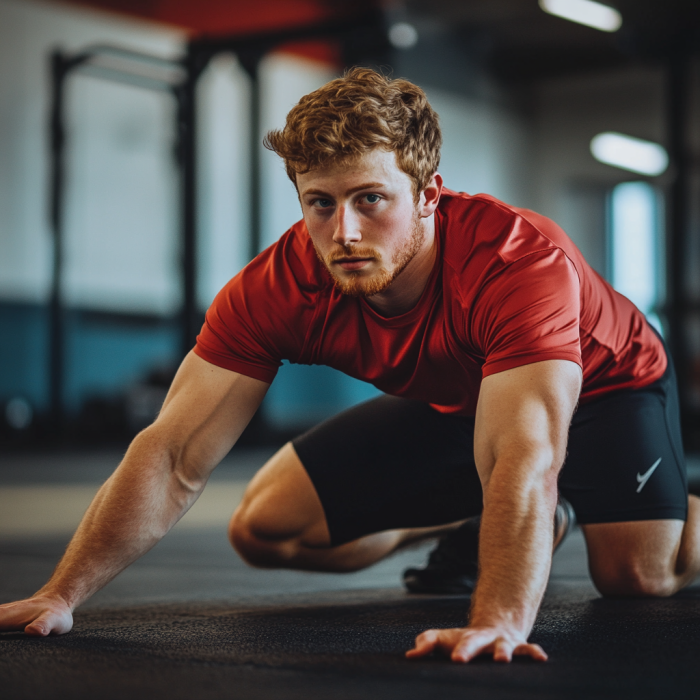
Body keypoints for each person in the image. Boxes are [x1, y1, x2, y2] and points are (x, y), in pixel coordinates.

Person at [0, 68, 697, 664]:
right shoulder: (274, 289)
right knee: (266, 528)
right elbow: (174, 452)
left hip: (606, 393)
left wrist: (499, 621)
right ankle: (478, 521)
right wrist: (61, 594)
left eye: (371, 199)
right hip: (458, 399)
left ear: (428, 194)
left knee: (636, 576)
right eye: (321, 203)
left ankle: (677, 509)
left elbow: (525, 454)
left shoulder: (515, 261)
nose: (346, 233)